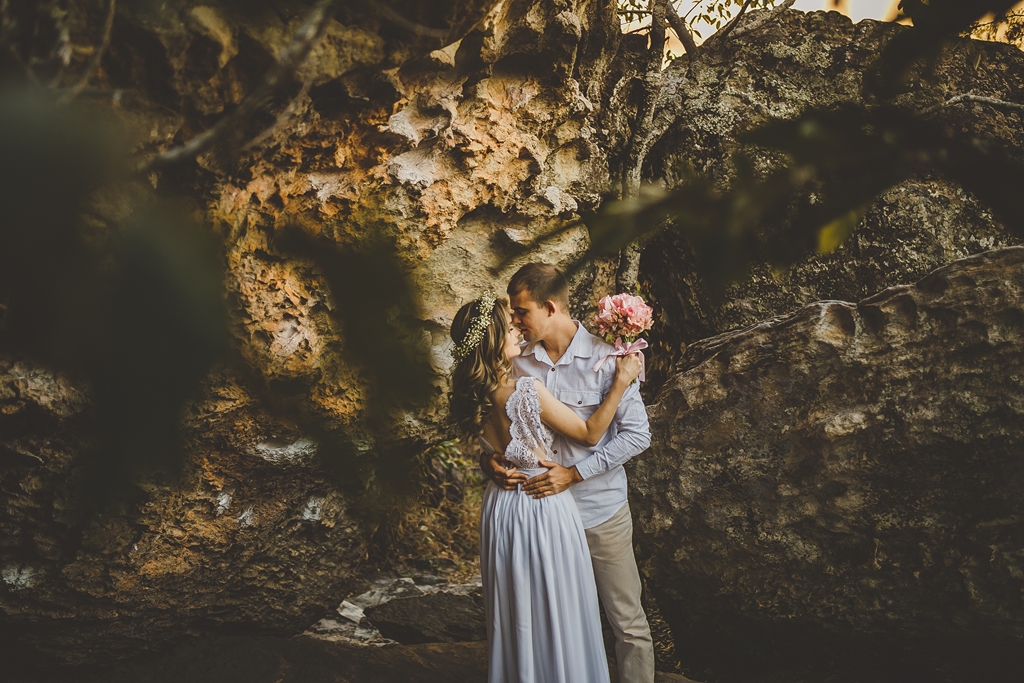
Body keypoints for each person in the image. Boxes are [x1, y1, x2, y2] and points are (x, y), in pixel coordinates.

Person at [449, 292, 642, 683]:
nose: (518, 326)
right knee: (560, 607)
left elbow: (488, 443)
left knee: (520, 609)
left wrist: (490, 460)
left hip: (504, 509)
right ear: (494, 339)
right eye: (510, 323)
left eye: (520, 316)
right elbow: (589, 433)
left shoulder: (474, 391)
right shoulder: (524, 386)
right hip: (542, 503)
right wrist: (621, 382)